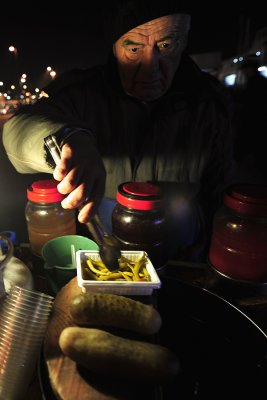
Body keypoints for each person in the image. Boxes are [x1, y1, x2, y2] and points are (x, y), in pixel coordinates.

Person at [2, 0, 236, 262]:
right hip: (96, 259)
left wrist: (203, 252)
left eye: (166, 45)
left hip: (179, 263)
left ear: (184, 40)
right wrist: (68, 138)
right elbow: (17, 129)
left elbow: (221, 196)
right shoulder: (82, 95)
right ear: (113, 47)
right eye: (134, 48)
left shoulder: (211, 104)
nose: (150, 68)